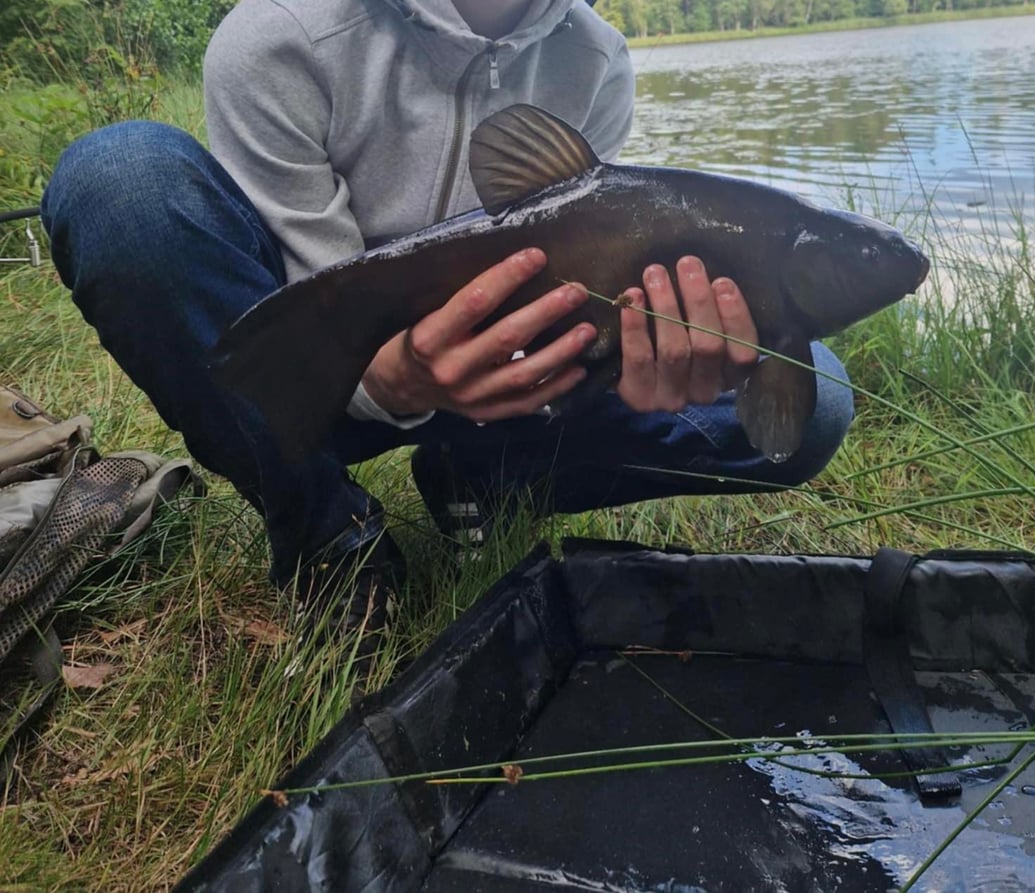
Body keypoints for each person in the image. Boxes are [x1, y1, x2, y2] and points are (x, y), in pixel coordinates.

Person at [40, 0, 853, 643]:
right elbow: (319, 292)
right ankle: (326, 530)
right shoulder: (276, 35)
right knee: (119, 183)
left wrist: (641, 362)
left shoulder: (597, 58)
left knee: (817, 403)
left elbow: (598, 296)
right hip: (313, 379)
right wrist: (389, 379)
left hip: (519, 379)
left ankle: (485, 474)